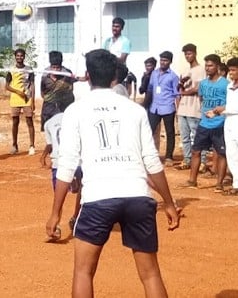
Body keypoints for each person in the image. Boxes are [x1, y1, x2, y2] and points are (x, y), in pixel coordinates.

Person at [46, 49, 180, 297]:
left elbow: (66, 165)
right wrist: (169, 203)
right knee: (150, 273)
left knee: (83, 272)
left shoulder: (76, 110)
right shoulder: (135, 110)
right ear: (115, 78)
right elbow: (151, 161)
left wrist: (56, 213)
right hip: (138, 195)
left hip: (98, 197)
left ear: (87, 76)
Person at [180, 54, 229, 191]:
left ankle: (219, 184)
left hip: (219, 123)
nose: (207, 68)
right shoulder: (203, 84)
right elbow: (201, 99)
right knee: (196, 151)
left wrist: (219, 112)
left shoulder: (225, 84)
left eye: (211, 65)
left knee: (221, 154)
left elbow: (230, 103)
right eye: (206, 65)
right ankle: (192, 180)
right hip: (204, 123)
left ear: (217, 67)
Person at [40, 112, 82, 238]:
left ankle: (56, 225)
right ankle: (76, 218)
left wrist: (43, 156)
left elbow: (50, 145)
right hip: (77, 161)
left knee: (59, 195)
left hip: (58, 162)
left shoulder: (48, 123)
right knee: (83, 190)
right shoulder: (76, 117)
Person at [176, 44, 207, 171]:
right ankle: (187, 159)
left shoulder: (202, 70)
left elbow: (199, 88)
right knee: (184, 136)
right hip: (183, 107)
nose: (187, 56)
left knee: (197, 136)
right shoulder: (184, 70)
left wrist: (184, 92)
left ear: (195, 53)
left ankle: (202, 161)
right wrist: (181, 83)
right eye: (185, 54)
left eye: (189, 53)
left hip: (195, 107)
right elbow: (180, 89)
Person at [147, 51, 181, 166]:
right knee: (149, 131)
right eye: (161, 60)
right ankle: (149, 155)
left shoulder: (173, 76)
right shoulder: (154, 74)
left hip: (168, 108)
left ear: (170, 62)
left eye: (165, 60)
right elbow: (150, 89)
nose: (163, 62)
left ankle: (169, 157)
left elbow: (177, 94)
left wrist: (178, 110)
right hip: (154, 108)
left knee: (170, 132)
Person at [5, 48, 36, 155]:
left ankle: (32, 145)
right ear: (15, 57)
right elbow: (7, 86)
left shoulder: (29, 69)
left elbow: (32, 85)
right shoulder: (11, 69)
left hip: (27, 98)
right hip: (15, 98)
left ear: (24, 56)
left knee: (29, 121)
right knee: (15, 122)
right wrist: (18, 92)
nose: (19, 57)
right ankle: (14, 145)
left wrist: (33, 101)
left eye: (21, 55)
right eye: (17, 55)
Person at [217, 57, 238, 196]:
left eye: (234, 70)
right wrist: (217, 111)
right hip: (229, 121)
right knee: (231, 153)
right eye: (230, 70)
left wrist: (222, 110)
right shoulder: (229, 85)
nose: (231, 73)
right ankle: (236, 183)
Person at [40, 51, 76, 131]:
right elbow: (42, 91)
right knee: (48, 128)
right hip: (49, 106)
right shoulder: (45, 74)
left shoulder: (67, 74)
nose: (55, 70)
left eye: (58, 68)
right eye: (53, 67)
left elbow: (71, 88)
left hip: (64, 106)